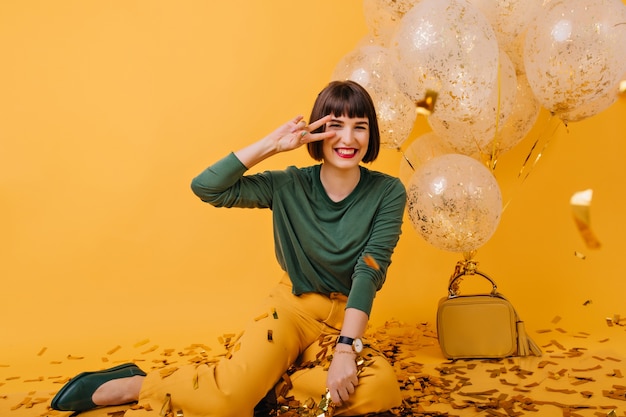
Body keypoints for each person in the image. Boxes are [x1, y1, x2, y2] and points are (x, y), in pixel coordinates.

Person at [50, 80, 407, 417]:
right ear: (316, 130)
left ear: (371, 134)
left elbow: (370, 267)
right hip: (290, 311)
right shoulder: (288, 185)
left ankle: (263, 383)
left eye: (359, 126)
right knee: (228, 405)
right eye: (335, 125)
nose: (348, 138)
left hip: (344, 322)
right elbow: (208, 187)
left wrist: (346, 347)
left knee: (381, 389)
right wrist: (273, 144)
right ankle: (136, 384)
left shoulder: (388, 192)